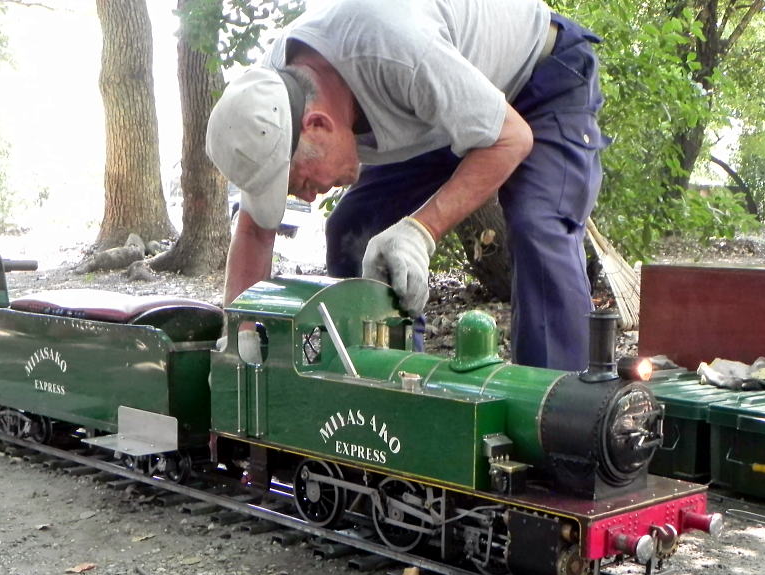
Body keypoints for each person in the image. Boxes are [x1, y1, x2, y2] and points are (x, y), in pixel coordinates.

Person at [206, 0, 609, 370]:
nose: (308, 196)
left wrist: (420, 231)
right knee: (354, 233)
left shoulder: (395, 49)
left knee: (537, 224)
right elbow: (255, 232)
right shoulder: (263, 111)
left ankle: (558, 408)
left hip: (539, 77)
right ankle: (385, 393)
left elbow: (511, 138)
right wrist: (239, 346)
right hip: (441, 109)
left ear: (318, 124)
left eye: (303, 180)